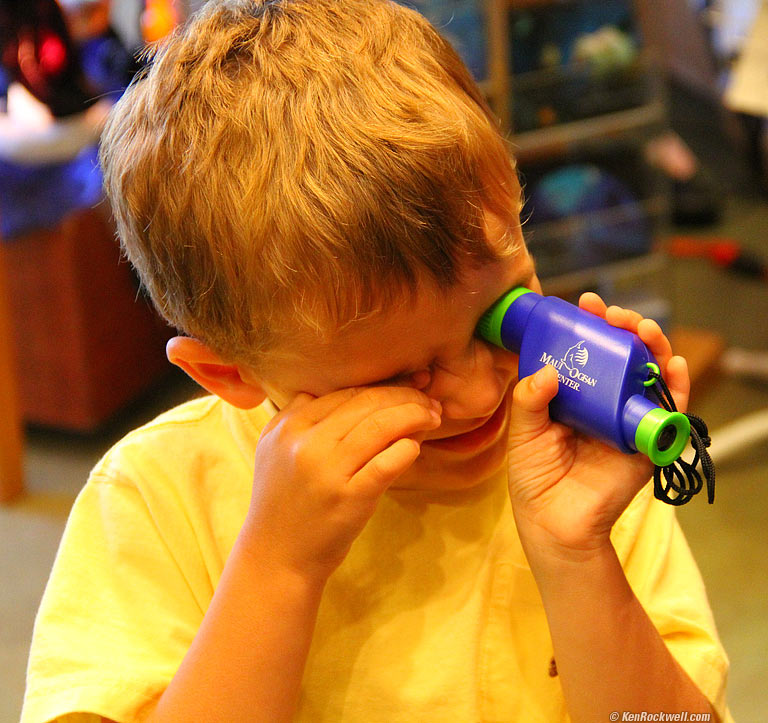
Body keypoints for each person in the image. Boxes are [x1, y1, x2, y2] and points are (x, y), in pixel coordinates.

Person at [22, 1, 732, 721]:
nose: (479, 394)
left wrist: (577, 555)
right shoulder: (158, 501)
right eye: (397, 377)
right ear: (231, 374)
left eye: (502, 317)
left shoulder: (577, 460)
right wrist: (277, 568)